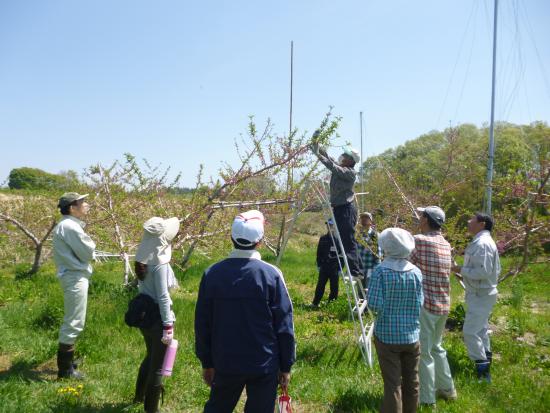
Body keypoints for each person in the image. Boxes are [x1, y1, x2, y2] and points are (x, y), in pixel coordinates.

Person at [195, 210, 296, 413]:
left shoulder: (212, 273)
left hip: (225, 360)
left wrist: (207, 362)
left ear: (231, 237)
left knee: (218, 408)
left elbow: (202, 323)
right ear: (260, 241)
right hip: (264, 363)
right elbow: (284, 325)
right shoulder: (271, 275)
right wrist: (286, 366)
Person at [367, 228, 423, 413]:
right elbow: (420, 303)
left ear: (386, 247)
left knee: (393, 384)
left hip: (387, 335)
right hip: (412, 335)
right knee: (412, 382)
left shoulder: (380, 271)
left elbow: (374, 304)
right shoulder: (416, 272)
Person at [409, 206, 456, 405]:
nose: (418, 219)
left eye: (421, 216)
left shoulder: (419, 241)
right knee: (437, 348)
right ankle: (447, 389)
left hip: (426, 304)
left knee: (425, 352)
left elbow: (405, 263)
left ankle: (427, 400)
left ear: (426, 219)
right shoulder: (446, 243)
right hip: (443, 303)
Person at [132, 216, 180, 413]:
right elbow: (162, 295)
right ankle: (151, 409)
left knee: (151, 355)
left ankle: (139, 396)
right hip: (159, 318)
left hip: (145, 316)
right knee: (158, 366)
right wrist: (168, 325)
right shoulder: (159, 263)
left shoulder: (142, 258)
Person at [452, 212, 501, 383]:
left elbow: (483, 272)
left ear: (482, 224)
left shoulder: (483, 244)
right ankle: (486, 364)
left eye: (472, 219)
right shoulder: (480, 241)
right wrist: (462, 272)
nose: (468, 221)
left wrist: (459, 270)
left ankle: (482, 371)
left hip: (482, 293)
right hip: (480, 293)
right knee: (480, 330)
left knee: (470, 332)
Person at [52, 192, 96, 379]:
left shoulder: (67, 225)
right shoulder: (70, 227)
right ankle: (65, 370)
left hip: (72, 275)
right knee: (74, 322)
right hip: (75, 277)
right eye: (82, 202)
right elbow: (87, 252)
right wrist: (92, 247)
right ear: (72, 208)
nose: (86, 204)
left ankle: (68, 363)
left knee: (74, 319)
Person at [311, 140, 364, 279]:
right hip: (340, 209)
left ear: (351, 161)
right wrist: (318, 148)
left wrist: (318, 155)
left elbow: (331, 165)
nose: (342, 156)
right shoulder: (341, 167)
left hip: (346, 209)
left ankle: (356, 272)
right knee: (346, 239)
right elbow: (330, 160)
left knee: (348, 240)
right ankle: (356, 270)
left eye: (345, 156)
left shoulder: (350, 173)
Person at [311, 219, 340, 307]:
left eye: (331, 225)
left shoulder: (338, 240)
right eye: (328, 225)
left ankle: (331, 305)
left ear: (335, 227)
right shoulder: (323, 238)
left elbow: (342, 255)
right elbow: (319, 253)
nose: (329, 227)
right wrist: (319, 264)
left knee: (334, 287)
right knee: (320, 285)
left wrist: (340, 268)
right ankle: (315, 303)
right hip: (324, 266)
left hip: (334, 267)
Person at [356, 211, 381, 288]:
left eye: (366, 217)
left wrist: (376, 269)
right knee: (360, 290)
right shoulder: (358, 234)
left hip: (370, 268)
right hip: (359, 268)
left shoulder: (375, 235)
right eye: (362, 217)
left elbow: (378, 253)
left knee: (368, 289)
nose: (364, 219)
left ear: (370, 221)